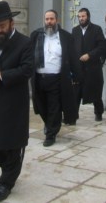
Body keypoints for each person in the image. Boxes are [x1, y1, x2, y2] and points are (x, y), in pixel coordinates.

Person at [0, 1, 34, 202]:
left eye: (2, 26)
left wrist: (2, 75)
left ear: (11, 23)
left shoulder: (25, 42)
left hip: (13, 102)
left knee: (11, 144)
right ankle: (9, 169)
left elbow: (27, 69)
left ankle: (6, 183)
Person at [30, 9, 81, 147]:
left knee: (54, 107)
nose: (49, 22)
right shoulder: (36, 35)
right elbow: (28, 55)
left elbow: (72, 57)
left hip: (57, 79)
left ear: (57, 20)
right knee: (41, 106)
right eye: (47, 19)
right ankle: (49, 124)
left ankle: (51, 134)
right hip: (39, 78)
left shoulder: (65, 37)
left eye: (52, 19)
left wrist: (77, 76)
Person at [72, 8, 106, 122]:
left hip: (93, 68)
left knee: (95, 93)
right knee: (76, 92)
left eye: (83, 16)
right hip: (78, 68)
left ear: (88, 17)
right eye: (79, 17)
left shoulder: (96, 29)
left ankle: (99, 113)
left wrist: (90, 55)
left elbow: (102, 47)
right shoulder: (75, 30)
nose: (81, 19)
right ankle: (73, 115)